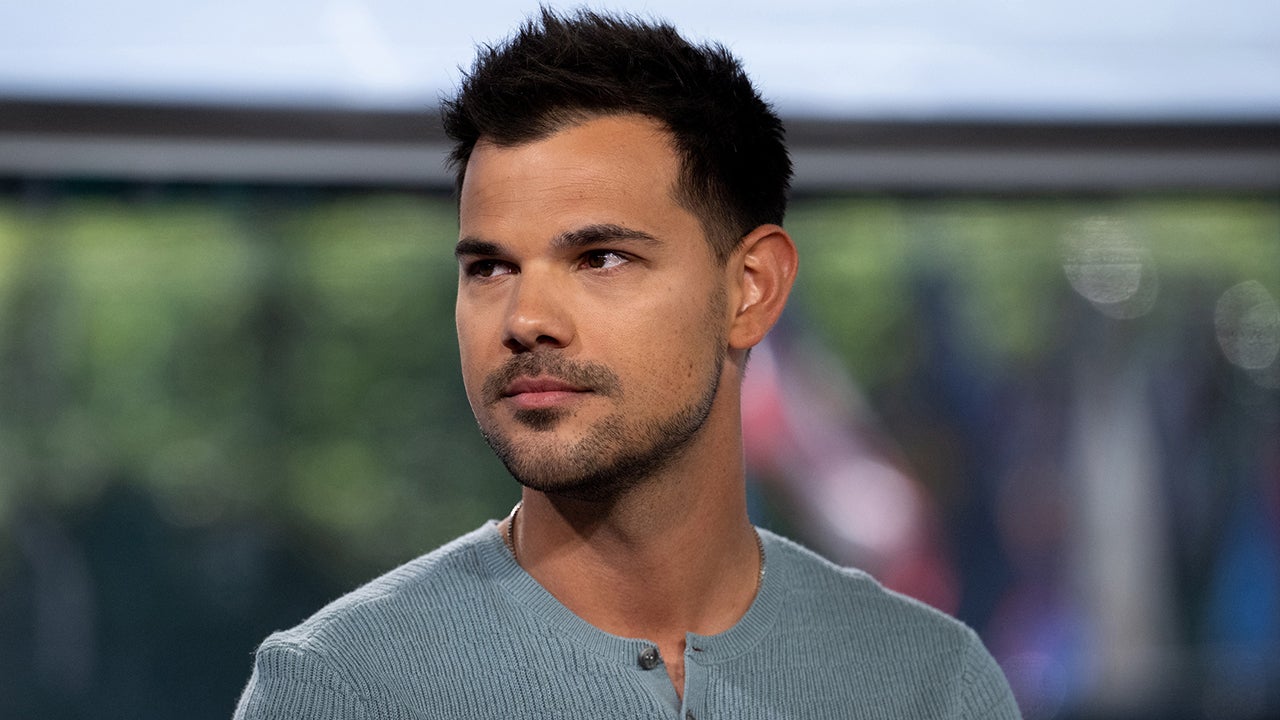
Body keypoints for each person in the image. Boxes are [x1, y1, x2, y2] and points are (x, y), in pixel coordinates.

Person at [233, 8, 1020, 719]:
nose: (525, 320)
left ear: (751, 289)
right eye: (490, 268)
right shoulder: (340, 689)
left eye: (601, 258)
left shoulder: (933, 685)